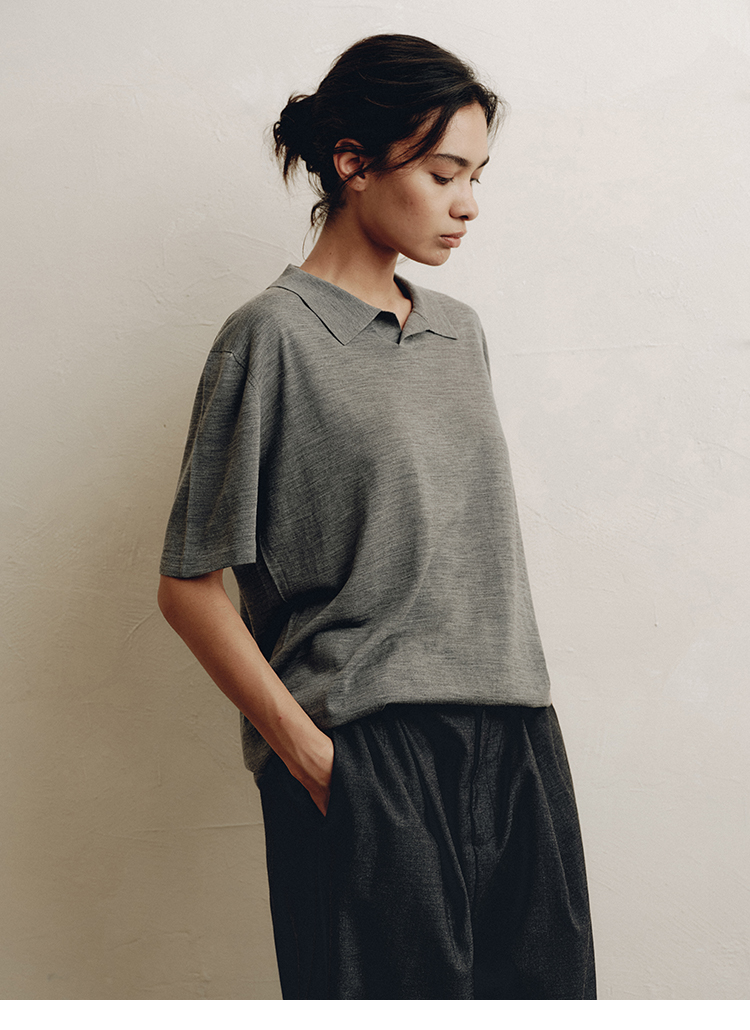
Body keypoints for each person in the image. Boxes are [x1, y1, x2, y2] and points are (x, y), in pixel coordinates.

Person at [157, 33, 596, 1000]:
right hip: (369, 748)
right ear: (353, 163)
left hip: (517, 738)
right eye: (443, 174)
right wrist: (313, 758)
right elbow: (189, 586)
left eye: (477, 176)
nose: (468, 204)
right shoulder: (271, 338)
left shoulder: (458, 333)